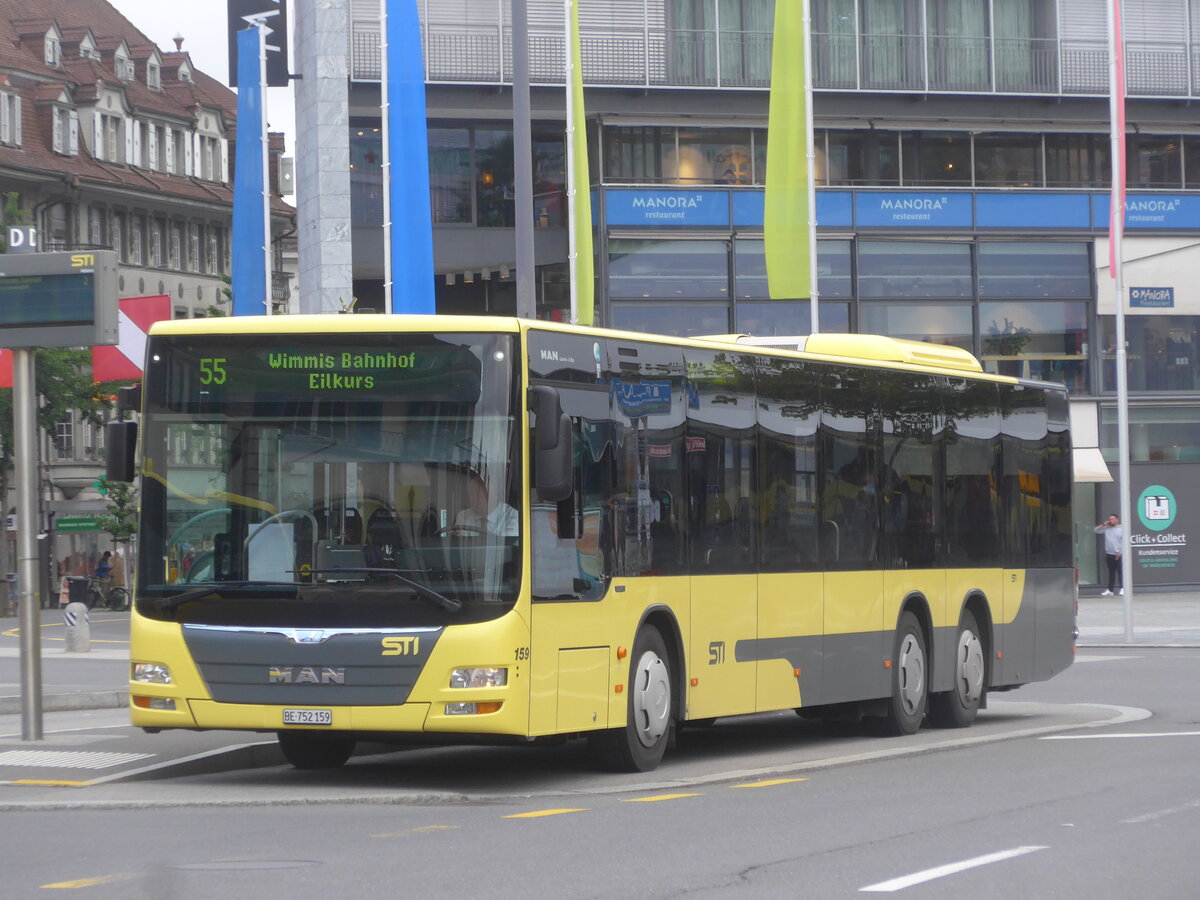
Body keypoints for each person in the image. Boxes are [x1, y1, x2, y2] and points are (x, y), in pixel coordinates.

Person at [452, 471, 518, 537]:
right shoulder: (463, 516)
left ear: (492, 493)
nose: (472, 499)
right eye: (470, 494)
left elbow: (504, 546)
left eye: (477, 493)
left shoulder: (514, 518)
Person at [1094, 513, 1123, 596]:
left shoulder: (1121, 528)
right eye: (1110, 519)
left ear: (1117, 520)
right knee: (1111, 572)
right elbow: (1095, 530)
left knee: (1120, 572)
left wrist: (1120, 552)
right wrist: (1103, 524)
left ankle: (1122, 588)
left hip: (1118, 554)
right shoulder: (1107, 528)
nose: (1111, 521)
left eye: (1113, 519)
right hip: (1109, 554)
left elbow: (1125, 541)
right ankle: (1110, 590)